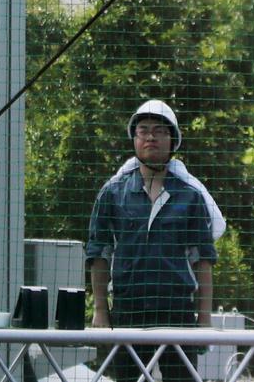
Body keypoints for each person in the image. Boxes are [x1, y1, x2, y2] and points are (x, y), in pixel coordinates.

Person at [86, 100, 215, 382]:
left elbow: (203, 260)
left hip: (177, 312)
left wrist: (204, 320)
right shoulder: (113, 193)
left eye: (159, 130)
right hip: (128, 310)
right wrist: (100, 312)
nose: (151, 137)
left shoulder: (190, 196)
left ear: (173, 140)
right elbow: (99, 253)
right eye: (143, 130)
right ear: (134, 138)